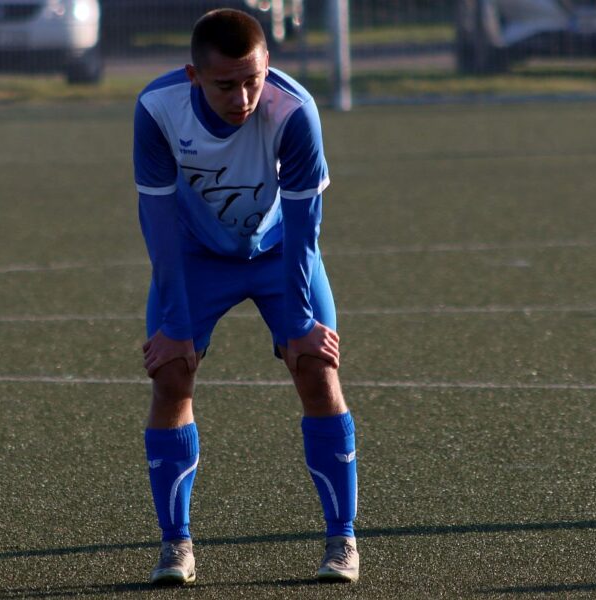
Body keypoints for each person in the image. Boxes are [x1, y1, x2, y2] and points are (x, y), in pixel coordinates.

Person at [133, 7, 359, 586]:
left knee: (317, 369)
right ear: (193, 76)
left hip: (279, 253)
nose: (242, 98)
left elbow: (306, 227)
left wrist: (301, 323)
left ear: (267, 66)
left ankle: (342, 540)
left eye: (252, 81)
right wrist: (175, 325)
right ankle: (176, 545)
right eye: (225, 85)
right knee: (171, 376)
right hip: (196, 257)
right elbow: (158, 226)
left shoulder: (295, 110)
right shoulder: (157, 108)